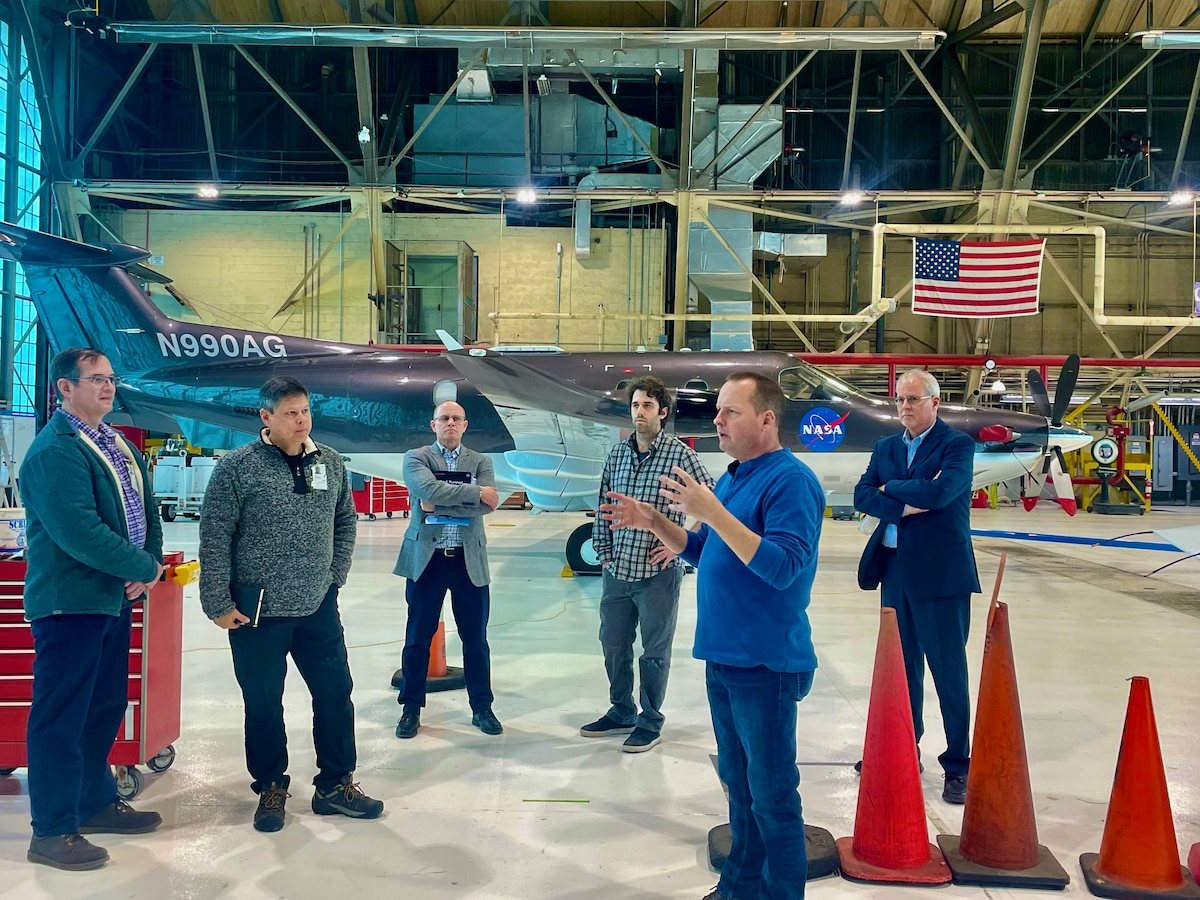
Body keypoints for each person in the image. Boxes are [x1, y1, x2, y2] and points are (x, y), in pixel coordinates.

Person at [600, 372, 824, 900]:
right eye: (718, 411)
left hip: (765, 663)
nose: (717, 420)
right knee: (741, 793)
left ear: (767, 420)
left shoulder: (790, 481)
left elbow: (784, 566)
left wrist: (713, 513)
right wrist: (654, 519)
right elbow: (706, 552)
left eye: (731, 412)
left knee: (771, 796)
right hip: (724, 659)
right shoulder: (734, 476)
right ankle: (740, 888)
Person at [199, 376, 383, 832]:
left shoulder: (332, 462)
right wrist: (216, 601)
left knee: (335, 695)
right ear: (266, 417)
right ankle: (270, 787)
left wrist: (334, 578)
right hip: (255, 609)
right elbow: (215, 536)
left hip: (318, 604)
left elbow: (345, 521)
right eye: (290, 413)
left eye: (305, 411)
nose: (301, 421)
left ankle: (335, 786)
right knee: (263, 702)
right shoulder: (237, 468)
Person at [20, 347, 164, 871]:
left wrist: (146, 562)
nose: (108, 387)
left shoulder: (118, 445)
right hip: (70, 604)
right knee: (60, 717)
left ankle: (94, 801)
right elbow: (79, 531)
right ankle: (52, 830)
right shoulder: (55, 451)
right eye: (95, 379)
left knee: (103, 706)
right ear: (64, 388)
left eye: (110, 378)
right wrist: (141, 568)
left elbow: (147, 512)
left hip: (110, 599)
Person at [853, 368, 979, 805]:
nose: (904, 407)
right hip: (895, 573)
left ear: (934, 403)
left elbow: (942, 494)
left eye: (912, 399)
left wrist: (892, 491)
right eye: (899, 400)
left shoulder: (957, 445)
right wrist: (906, 499)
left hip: (942, 576)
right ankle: (903, 750)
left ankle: (959, 764)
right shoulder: (886, 446)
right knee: (901, 674)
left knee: (948, 675)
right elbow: (860, 495)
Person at [583, 375, 712, 753]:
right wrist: (603, 553)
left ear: (663, 412)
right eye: (636, 405)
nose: (640, 412)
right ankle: (621, 710)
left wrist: (680, 547)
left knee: (654, 652)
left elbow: (712, 502)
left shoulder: (681, 456)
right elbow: (603, 506)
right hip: (618, 570)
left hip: (658, 574)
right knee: (613, 644)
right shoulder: (618, 453)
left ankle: (650, 720)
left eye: (648, 406)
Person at [393, 400, 501, 739]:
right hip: (428, 560)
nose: (450, 423)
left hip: (468, 561)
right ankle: (410, 709)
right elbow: (424, 488)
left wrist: (439, 503)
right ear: (433, 424)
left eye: (456, 418)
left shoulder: (481, 461)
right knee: (417, 639)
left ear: (465, 425)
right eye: (444, 418)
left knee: (476, 640)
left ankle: (482, 707)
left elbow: (488, 505)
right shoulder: (417, 457)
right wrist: (473, 493)